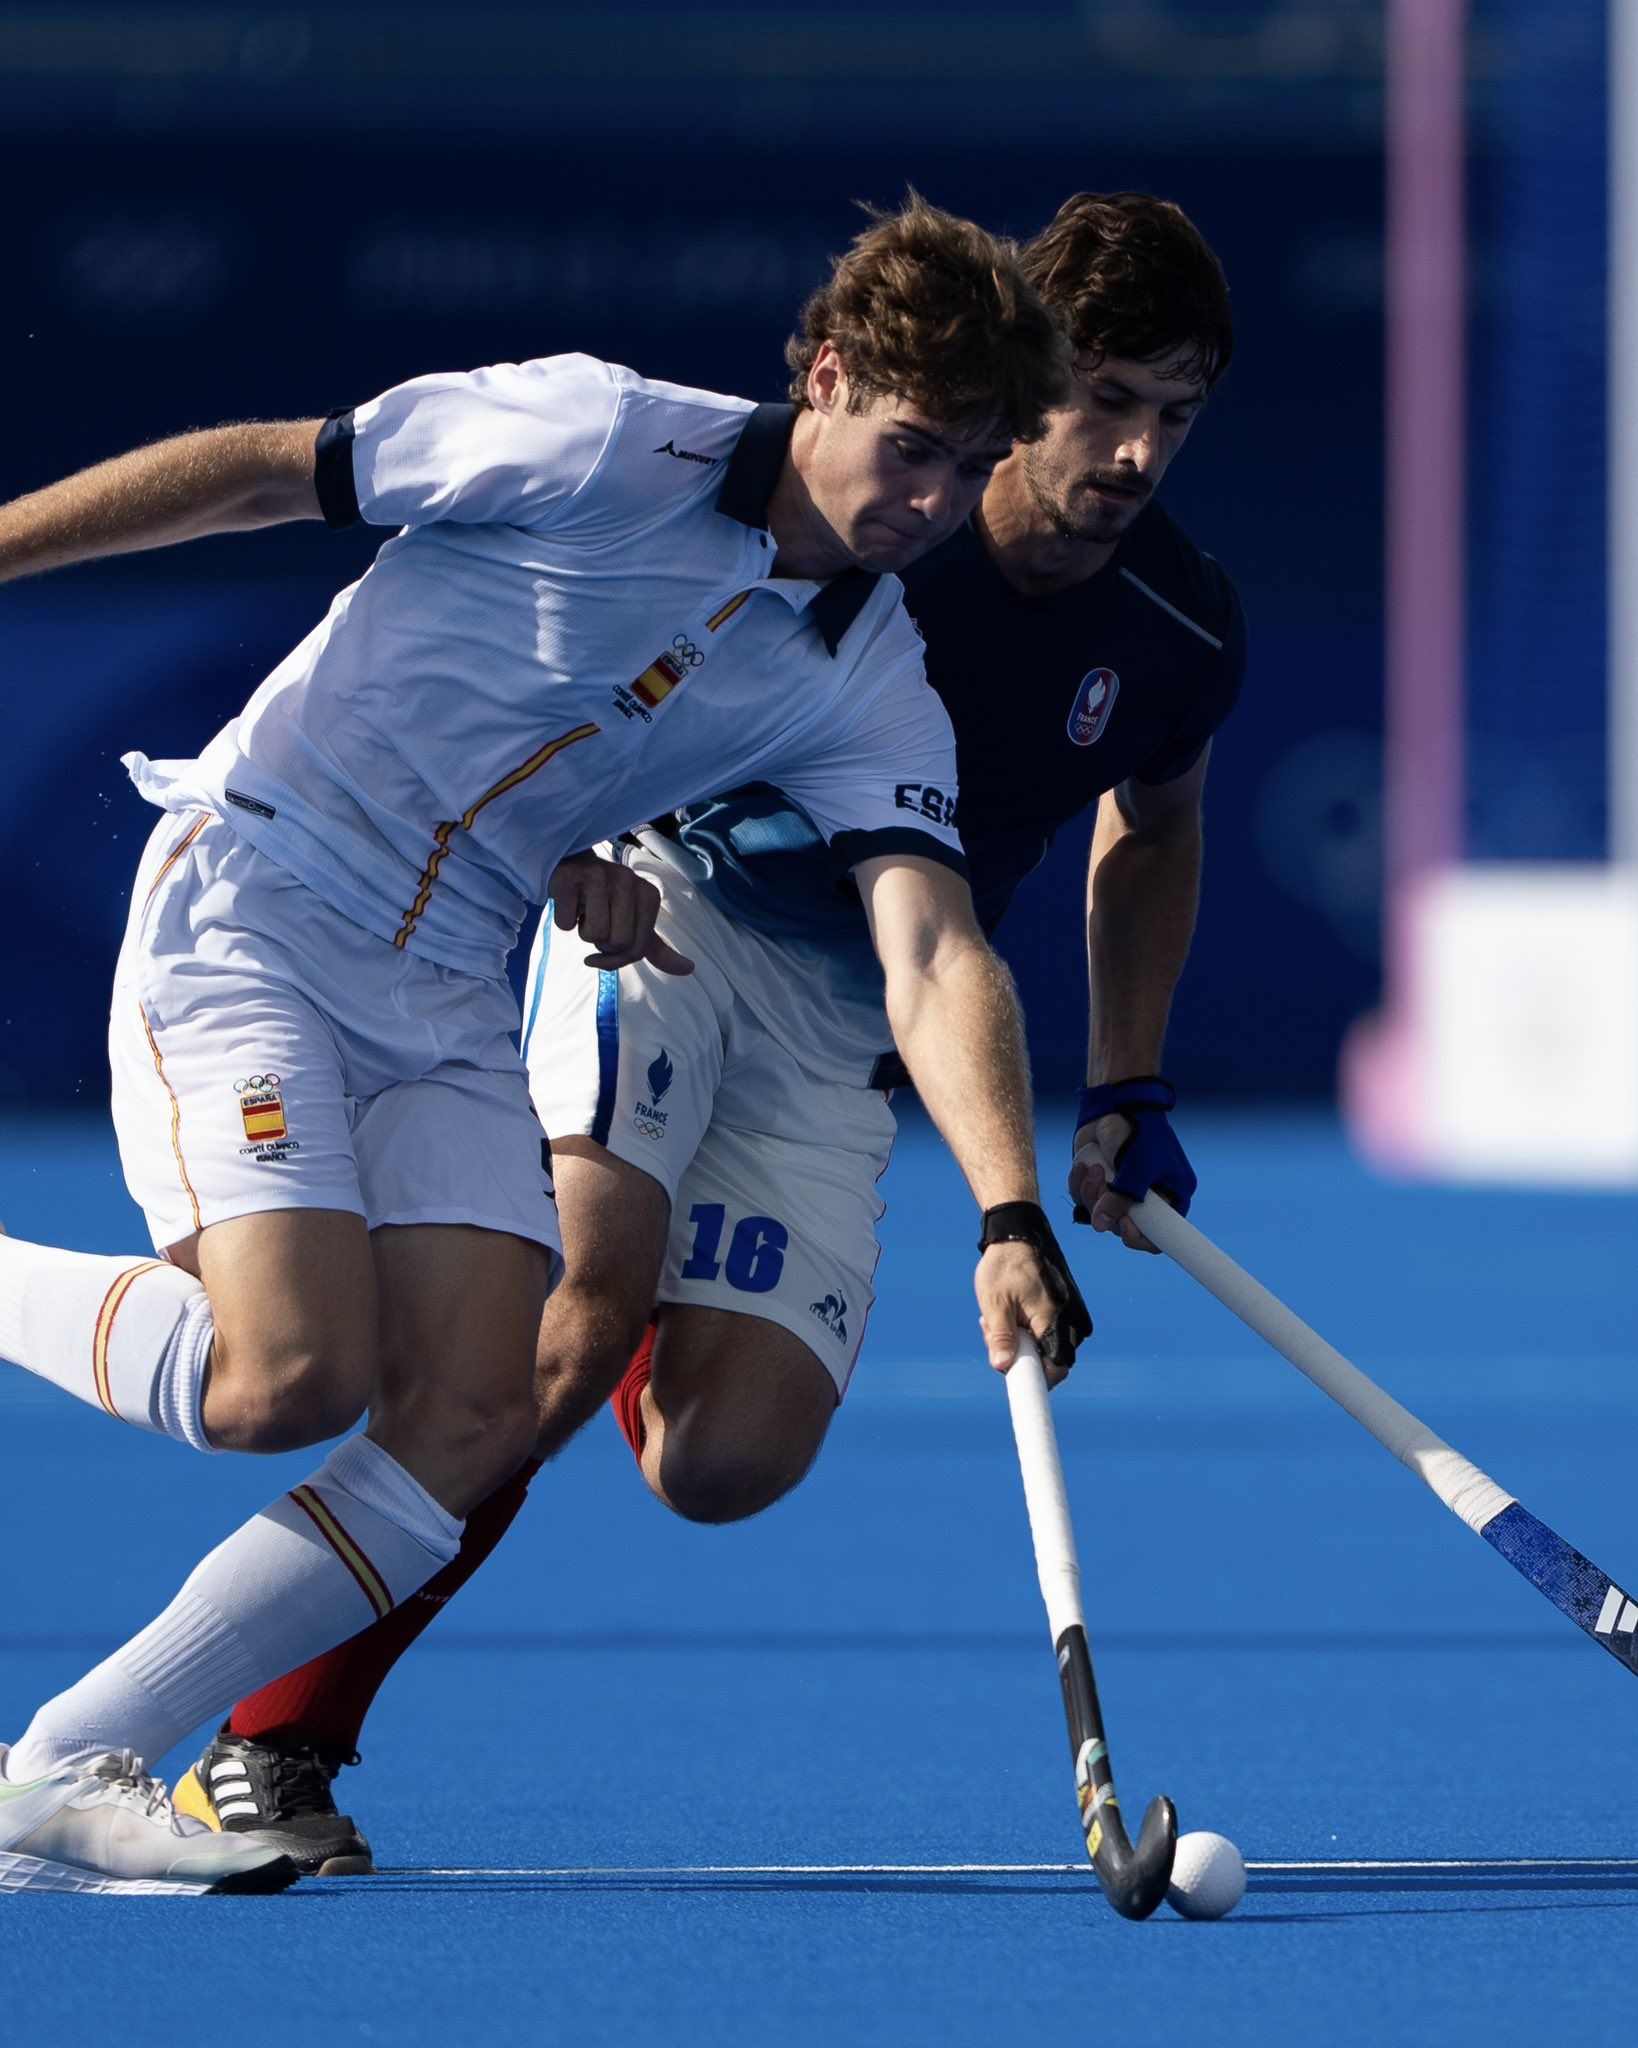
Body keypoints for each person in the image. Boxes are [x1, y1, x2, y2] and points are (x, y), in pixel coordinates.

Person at [0, 196, 1089, 1894]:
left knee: (466, 1412)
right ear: (822, 377)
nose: (934, 505)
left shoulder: (870, 674)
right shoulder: (593, 433)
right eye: (909, 450)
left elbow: (932, 944)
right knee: (283, 1376)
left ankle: (60, 1769)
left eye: (968, 466)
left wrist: (1008, 1203)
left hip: (442, 986)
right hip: (263, 902)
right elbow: (255, 468)